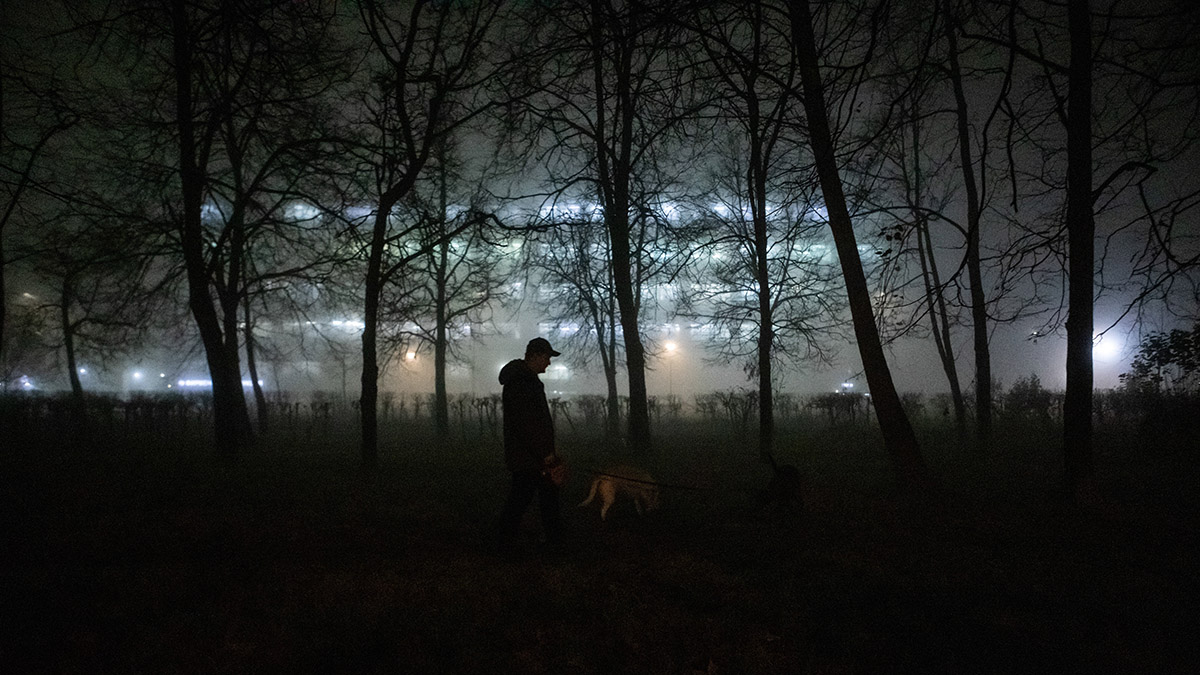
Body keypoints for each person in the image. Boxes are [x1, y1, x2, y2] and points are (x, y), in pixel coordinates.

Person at [494, 337, 565, 553]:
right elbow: (527, 424)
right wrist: (545, 454)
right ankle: (505, 542)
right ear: (535, 356)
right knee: (526, 499)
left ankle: (550, 541)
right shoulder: (522, 383)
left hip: (528, 455)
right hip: (529, 457)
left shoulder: (523, 381)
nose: (549, 363)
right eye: (546, 357)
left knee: (533, 498)